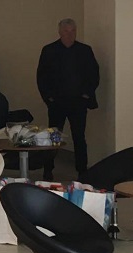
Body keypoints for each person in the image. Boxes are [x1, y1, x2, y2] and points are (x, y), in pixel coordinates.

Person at [36, 18, 100, 177]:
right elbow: (42, 77)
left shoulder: (84, 50)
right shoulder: (49, 50)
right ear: (60, 32)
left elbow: (93, 74)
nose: (70, 34)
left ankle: (82, 170)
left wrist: (86, 95)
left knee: (79, 137)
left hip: (78, 102)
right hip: (56, 103)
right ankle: (48, 169)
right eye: (66, 31)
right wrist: (48, 98)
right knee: (54, 137)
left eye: (73, 31)